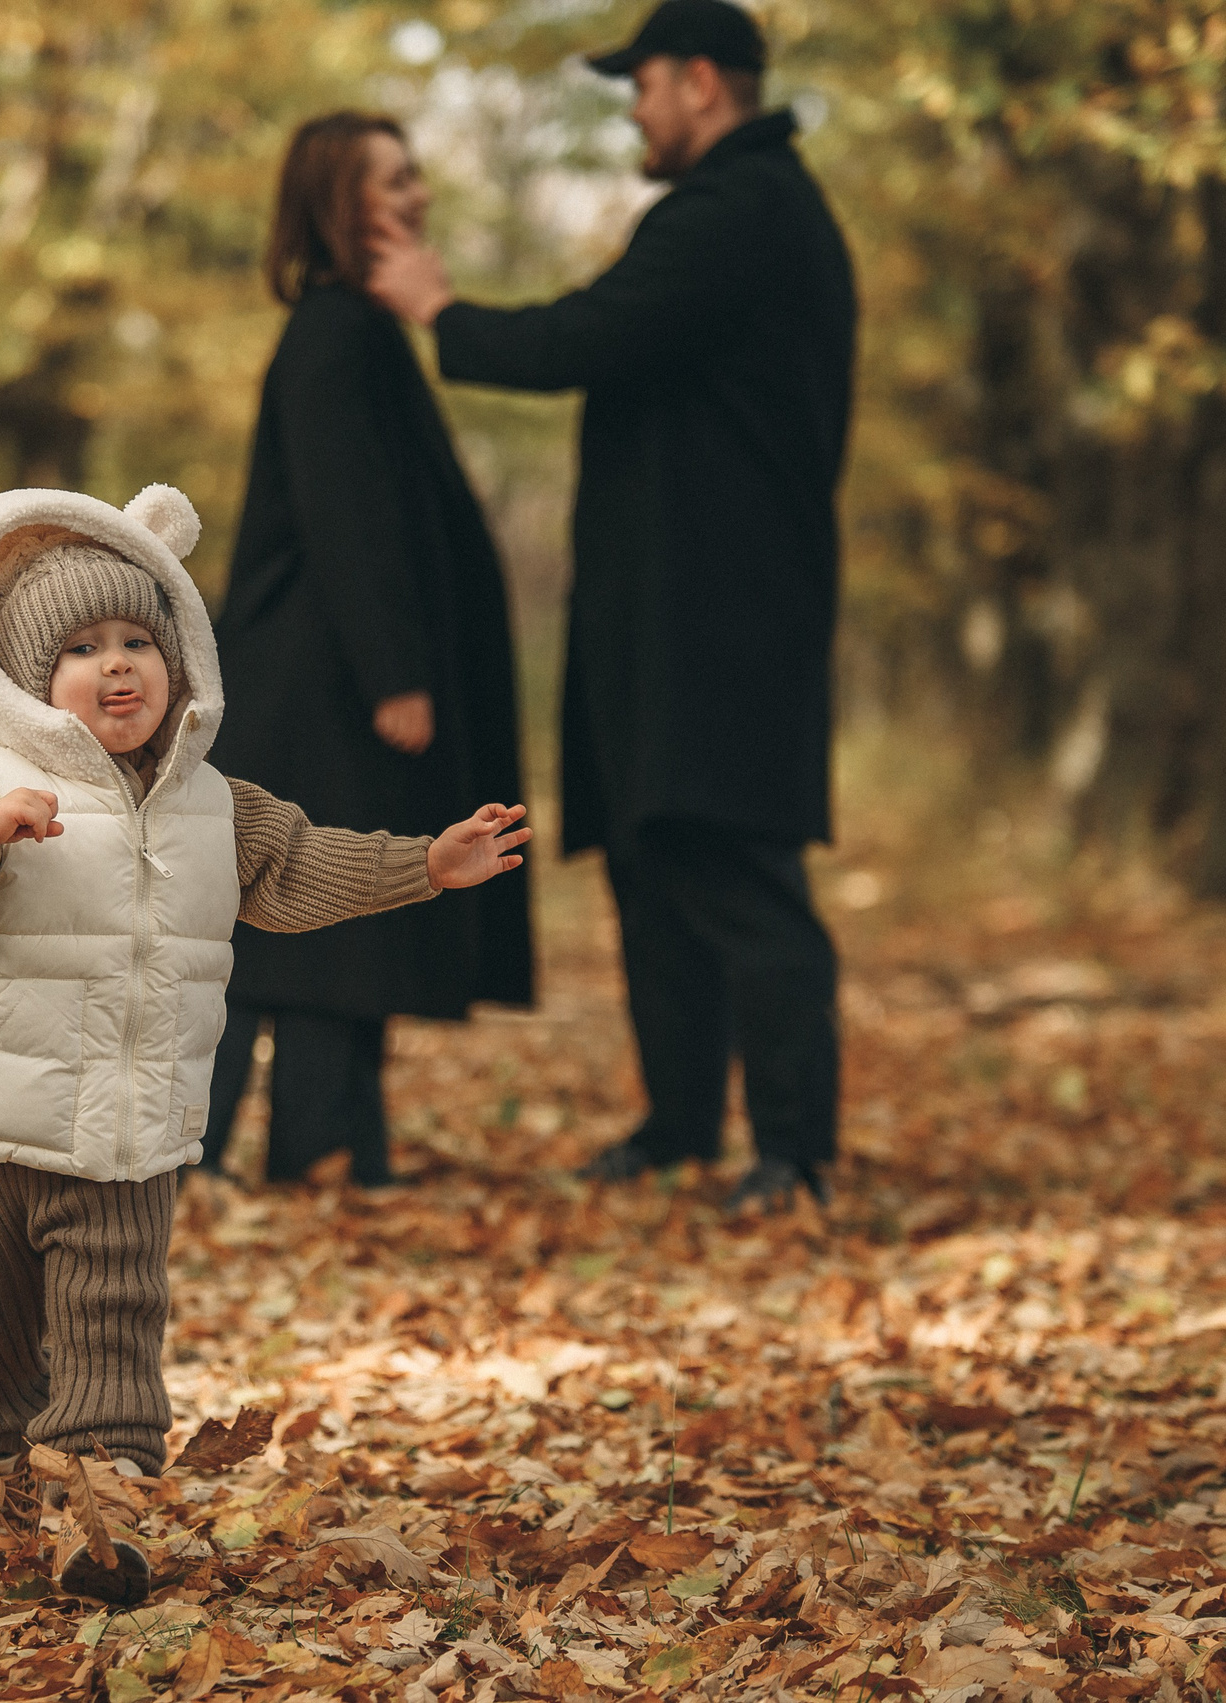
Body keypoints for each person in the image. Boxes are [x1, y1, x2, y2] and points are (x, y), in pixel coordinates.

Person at [0, 483, 528, 1603]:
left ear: (180, 657)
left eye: (138, 640)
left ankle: (99, 1505)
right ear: (21, 675)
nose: (117, 666)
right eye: (80, 648)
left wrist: (422, 865)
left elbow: (300, 866)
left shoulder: (215, 802)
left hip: (129, 1124)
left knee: (114, 1316)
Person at [366, 0, 857, 1211]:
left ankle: (795, 1153)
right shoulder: (742, 210)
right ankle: (680, 1126)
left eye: (642, 86)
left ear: (700, 82)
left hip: (722, 622)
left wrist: (440, 309)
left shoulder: (738, 212)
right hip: (675, 617)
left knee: (734, 871)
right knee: (656, 862)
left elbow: (581, 336)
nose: (635, 111)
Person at [202, 111, 534, 1188]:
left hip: (327, 670)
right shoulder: (335, 334)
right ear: (339, 204)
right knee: (302, 919)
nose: (419, 194)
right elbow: (348, 515)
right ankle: (260, 1158)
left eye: (416, 174)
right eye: (394, 181)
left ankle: (324, 1153)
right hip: (320, 677)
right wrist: (397, 674)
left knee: (326, 921)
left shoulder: (357, 330)